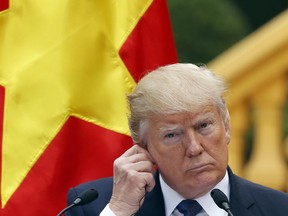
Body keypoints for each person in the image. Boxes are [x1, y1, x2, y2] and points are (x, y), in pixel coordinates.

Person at [66, 63, 288, 216]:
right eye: (172, 135)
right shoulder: (93, 205)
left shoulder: (278, 209)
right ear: (145, 147)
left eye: (203, 126)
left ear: (227, 126)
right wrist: (120, 209)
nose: (194, 148)